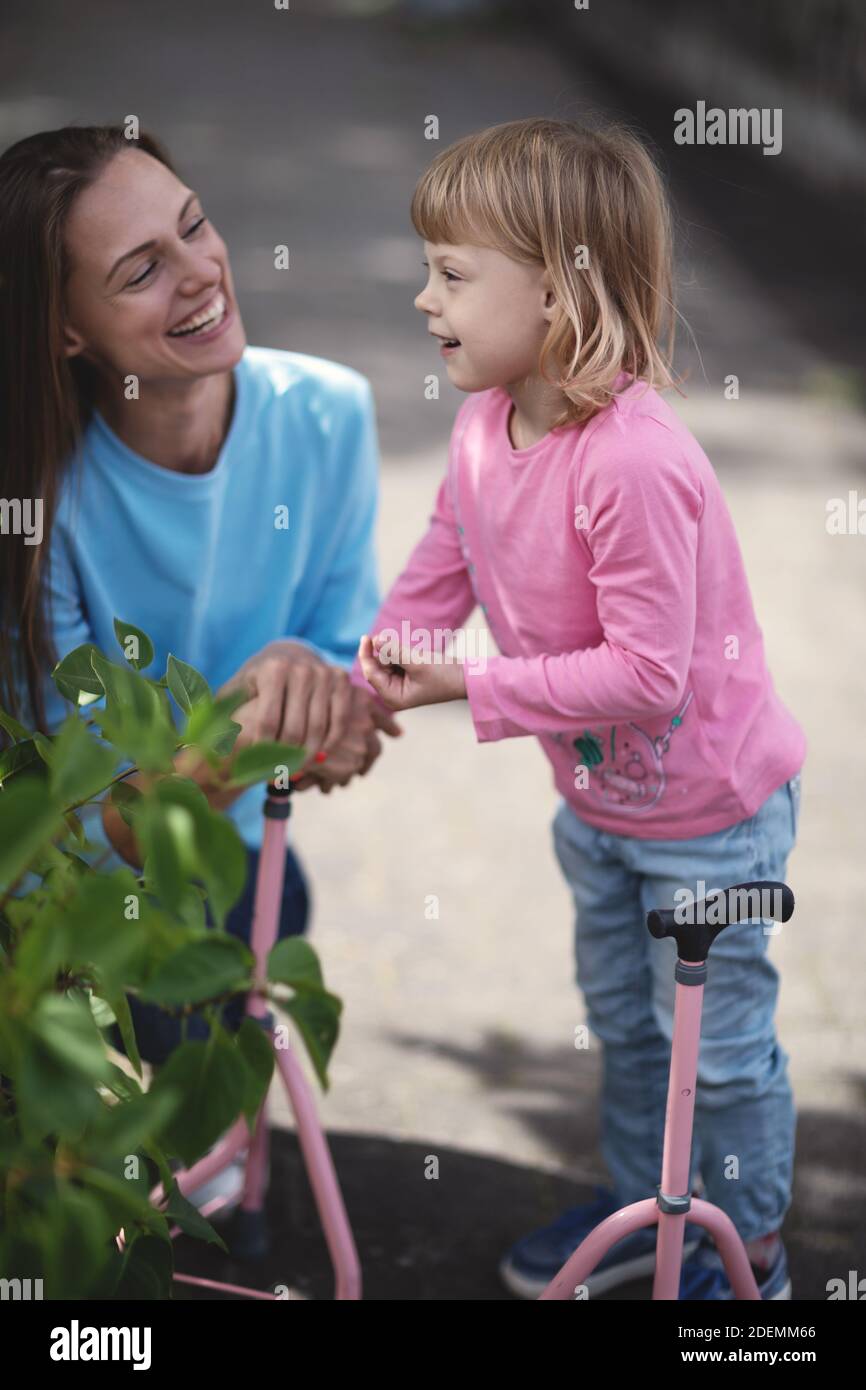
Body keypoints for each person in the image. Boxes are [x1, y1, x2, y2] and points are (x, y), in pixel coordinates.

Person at [354, 116, 806, 1300]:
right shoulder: (477, 426)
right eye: (428, 270)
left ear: (557, 294)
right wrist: (363, 690)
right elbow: (436, 571)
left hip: (707, 817)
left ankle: (737, 1247)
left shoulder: (631, 461)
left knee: (714, 1058)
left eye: (451, 275)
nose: (423, 299)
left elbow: (647, 674)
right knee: (626, 1027)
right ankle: (646, 1208)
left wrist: (470, 685)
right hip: (599, 807)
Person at [0, 124, 401, 1205]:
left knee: (258, 924)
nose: (200, 275)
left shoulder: (326, 414)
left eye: (194, 226)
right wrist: (263, 706)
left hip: (231, 863)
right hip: (57, 922)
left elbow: (348, 706)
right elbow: (92, 828)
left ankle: (201, 1158)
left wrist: (311, 701)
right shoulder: (39, 512)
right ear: (66, 332)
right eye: (140, 270)